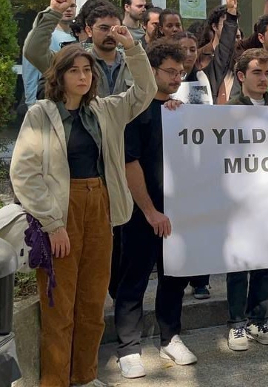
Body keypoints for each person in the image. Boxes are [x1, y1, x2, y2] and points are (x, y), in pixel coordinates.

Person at [11, 0, 158, 387]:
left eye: (87, 71)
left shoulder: (104, 109)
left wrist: (132, 49)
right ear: (59, 76)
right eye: (74, 70)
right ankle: (55, 381)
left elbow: (144, 92)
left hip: (100, 206)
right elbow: (24, 173)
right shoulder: (42, 113)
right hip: (61, 210)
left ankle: (85, 376)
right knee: (59, 305)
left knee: (93, 302)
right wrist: (52, 223)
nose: (82, 76)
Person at [114, 40, 198, 379]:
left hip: (177, 210)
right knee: (133, 279)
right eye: (170, 72)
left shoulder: (180, 110)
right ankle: (128, 348)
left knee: (174, 276)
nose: (177, 78)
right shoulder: (134, 108)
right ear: (151, 70)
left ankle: (170, 337)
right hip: (141, 212)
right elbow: (129, 162)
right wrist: (150, 212)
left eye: (181, 72)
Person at [223, 49, 268, 349]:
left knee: (265, 263)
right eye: (257, 72)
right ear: (241, 76)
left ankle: (258, 319)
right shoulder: (229, 109)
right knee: (238, 263)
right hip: (239, 200)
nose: (263, 78)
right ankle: (236, 324)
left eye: (267, 73)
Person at [22, 0, 77, 108]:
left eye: (72, 6)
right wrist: (31, 103)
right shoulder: (43, 37)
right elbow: (29, 71)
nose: (68, 9)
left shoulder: (78, 36)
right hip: (45, 101)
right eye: (63, 5)